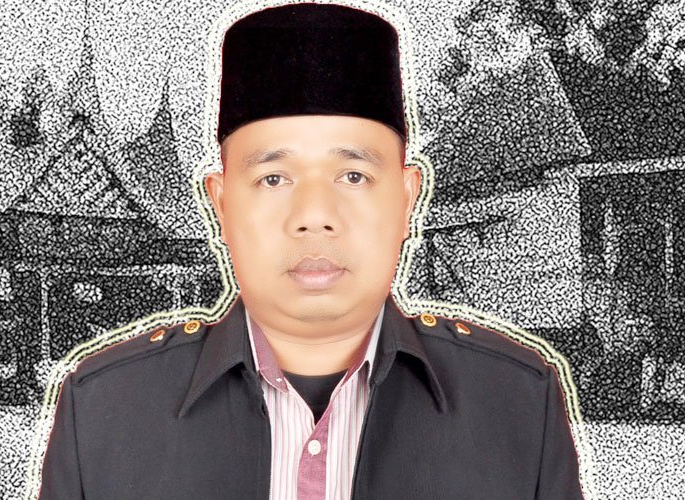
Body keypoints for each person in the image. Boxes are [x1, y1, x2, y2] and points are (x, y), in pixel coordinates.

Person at [37, 3, 584, 499]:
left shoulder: (517, 404)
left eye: (353, 175)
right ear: (221, 205)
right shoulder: (105, 411)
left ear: (407, 199)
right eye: (274, 178)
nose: (314, 215)